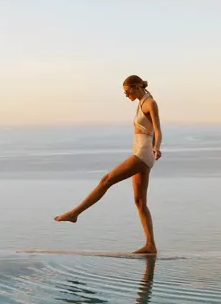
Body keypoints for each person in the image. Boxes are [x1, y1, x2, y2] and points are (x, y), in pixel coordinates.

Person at [54, 75, 162, 254]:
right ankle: (150, 245)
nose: (126, 95)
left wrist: (157, 147)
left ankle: (75, 213)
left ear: (136, 87)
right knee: (140, 202)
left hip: (143, 154)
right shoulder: (141, 102)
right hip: (141, 153)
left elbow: (158, 130)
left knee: (106, 180)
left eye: (127, 92)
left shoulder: (150, 103)